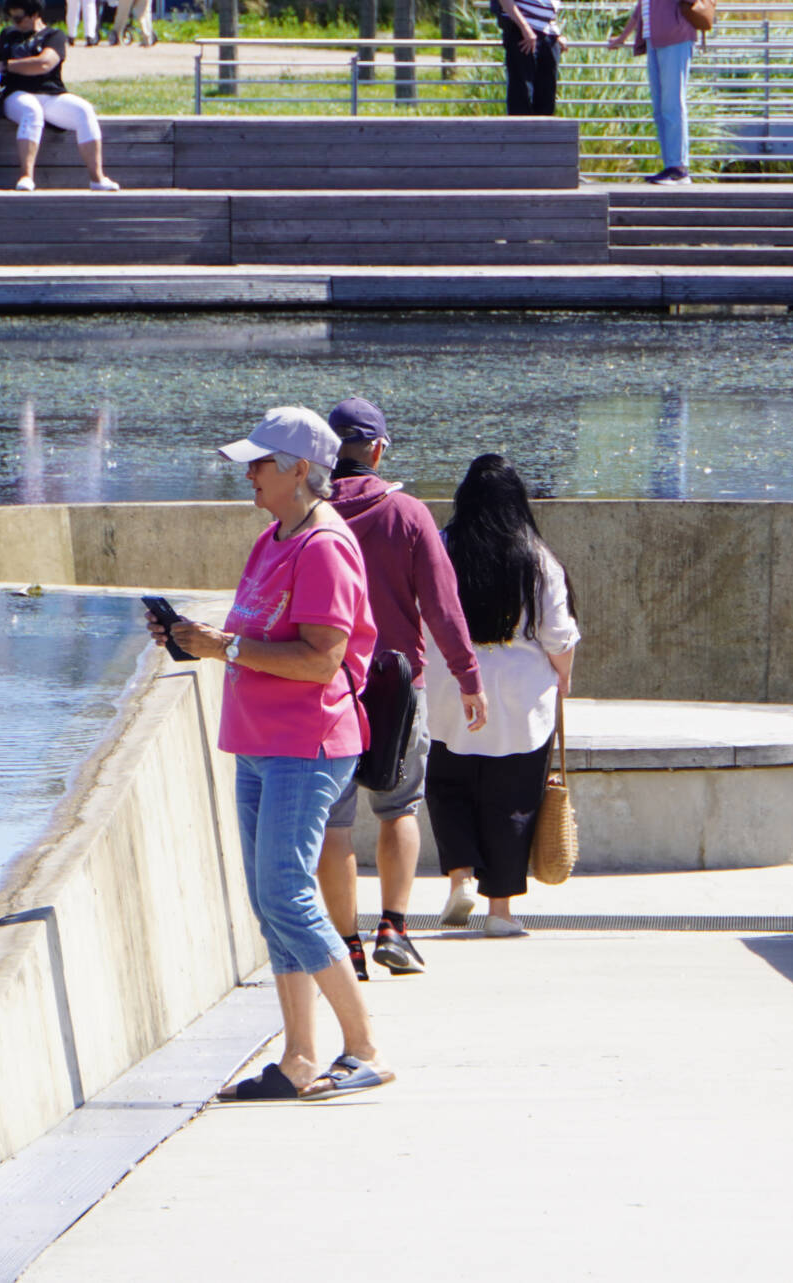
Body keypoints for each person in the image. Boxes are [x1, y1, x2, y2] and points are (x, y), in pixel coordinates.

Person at [146, 406, 394, 1102]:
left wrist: (221, 646)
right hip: (261, 741)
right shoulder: (273, 539)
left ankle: (364, 1045)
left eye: (259, 463)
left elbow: (322, 661)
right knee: (271, 898)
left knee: (286, 892)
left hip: (304, 744)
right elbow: (251, 633)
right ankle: (299, 1056)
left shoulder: (323, 546)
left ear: (297, 470)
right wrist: (188, 637)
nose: (248, 473)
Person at [317, 398, 487, 979]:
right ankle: (393, 928)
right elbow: (443, 608)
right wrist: (468, 678)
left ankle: (347, 947)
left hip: (325, 688)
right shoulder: (409, 514)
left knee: (333, 825)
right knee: (399, 808)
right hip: (396, 687)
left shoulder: (307, 516)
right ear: (380, 450)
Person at [424, 454, 579, 939]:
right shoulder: (537, 558)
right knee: (512, 800)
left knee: (449, 787)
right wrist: (563, 678)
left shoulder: (443, 547)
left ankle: (459, 878)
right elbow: (559, 635)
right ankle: (501, 911)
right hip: (520, 695)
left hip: (453, 688)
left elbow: (423, 612)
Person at [0, 0, 118, 192]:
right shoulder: (8, 35)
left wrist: (7, 65)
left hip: (51, 94)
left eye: (19, 18)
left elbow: (44, 63)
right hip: (16, 94)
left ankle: (97, 178)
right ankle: (26, 176)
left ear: (34, 14)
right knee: (31, 110)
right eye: (11, 18)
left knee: (84, 110)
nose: (14, 23)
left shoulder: (54, 36)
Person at [607, 0, 705, 186]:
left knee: (673, 104)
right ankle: (670, 165)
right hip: (654, 40)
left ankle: (679, 169)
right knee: (661, 108)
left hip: (676, 38)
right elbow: (641, 5)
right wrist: (624, 36)